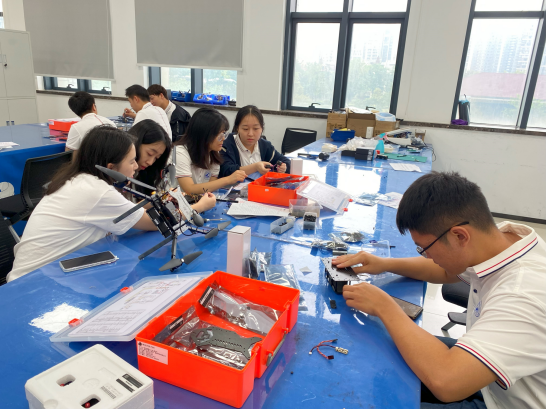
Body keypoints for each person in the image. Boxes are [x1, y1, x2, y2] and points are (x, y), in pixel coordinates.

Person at [333, 172, 546, 409]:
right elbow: (445, 270)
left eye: (424, 248)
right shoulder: (501, 241)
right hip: (490, 379)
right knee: (385, 350)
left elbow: (447, 382)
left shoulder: (523, 294)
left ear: (459, 236)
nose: (426, 256)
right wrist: (384, 264)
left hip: (500, 402)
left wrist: (385, 307)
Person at [7, 126, 215, 282]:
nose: (136, 166)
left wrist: (159, 201)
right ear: (110, 167)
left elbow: (131, 210)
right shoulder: (97, 191)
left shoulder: (79, 179)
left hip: (44, 271)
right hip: (34, 280)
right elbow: (155, 223)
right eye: (131, 161)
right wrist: (200, 207)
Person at [173, 107, 246, 194]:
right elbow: (189, 189)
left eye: (224, 134)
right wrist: (228, 180)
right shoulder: (180, 152)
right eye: (219, 135)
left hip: (200, 200)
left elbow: (210, 187)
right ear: (204, 134)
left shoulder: (213, 152)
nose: (223, 138)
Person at [219, 105, 290, 178]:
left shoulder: (265, 146)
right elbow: (226, 171)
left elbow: (286, 161)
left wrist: (283, 167)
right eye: (245, 129)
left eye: (255, 128)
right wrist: (255, 167)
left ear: (262, 128)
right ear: (237, 128)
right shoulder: (225, 145)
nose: (250, 134)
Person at [128, 119, 172, 195]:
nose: (150, 162)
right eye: (150, 154)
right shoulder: (114, 176)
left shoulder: (145, 175)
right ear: (135, 143)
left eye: (156, 158)